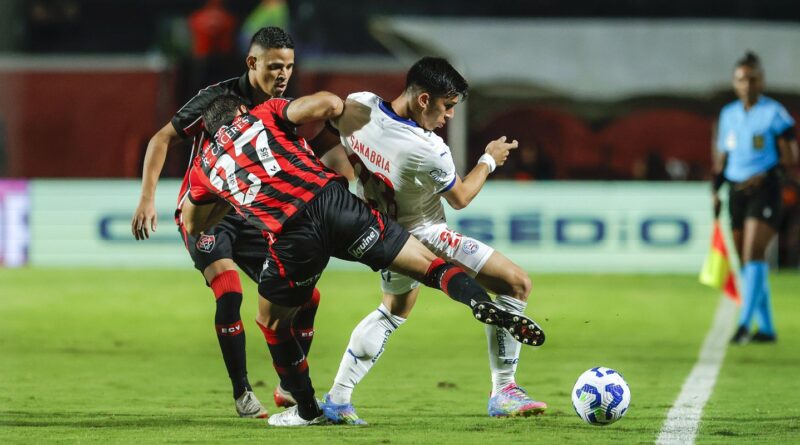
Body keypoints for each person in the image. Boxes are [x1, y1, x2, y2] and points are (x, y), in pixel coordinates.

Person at [182, 92, 546, 426]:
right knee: (428, 265)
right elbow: (326, 104)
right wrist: (339, 116)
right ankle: (478, 299)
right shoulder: (264, 112)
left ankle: (308, 409)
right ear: (241, 112)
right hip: (336, 203)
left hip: (294, 235)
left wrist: (229, 196)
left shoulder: (204, 165)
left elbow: (194, 222)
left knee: (273, 323)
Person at [315, 57, 547, 424]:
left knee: (391, 311)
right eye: (447, 106)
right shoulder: (427, 148)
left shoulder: (358, 105)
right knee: (516, 283)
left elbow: (331, 135)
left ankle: (338, 398)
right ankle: (504, 390)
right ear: (424, 99)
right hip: (426, 233)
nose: (449, 116)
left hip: (386, 236)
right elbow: (460, 197)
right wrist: (489, 158)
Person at [131, 27, 327, 419]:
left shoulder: (282, 108)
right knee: (229, 291)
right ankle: (242, 393)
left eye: (289, 66)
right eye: (275, 66)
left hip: (253, 218)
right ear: (252, 63)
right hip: (207, 217)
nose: (283, 74)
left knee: (308, 298)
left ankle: (289, 383)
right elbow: (161, 139)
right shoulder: (216, 99)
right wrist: (147, 198)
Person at [712, 51, 799, 344]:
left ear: (761, 81)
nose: (746, 84)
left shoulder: (775, 114)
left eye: (751, 79)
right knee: (746, 262)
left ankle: (744, 324)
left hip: (765, 190)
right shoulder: (728, 115)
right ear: (734, 83)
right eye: (741, 79)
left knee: (753, 254)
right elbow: (722, 158)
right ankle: (768, 327)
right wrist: (715, 190)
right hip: (736, 192)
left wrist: (766, 175)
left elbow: (791, 158)